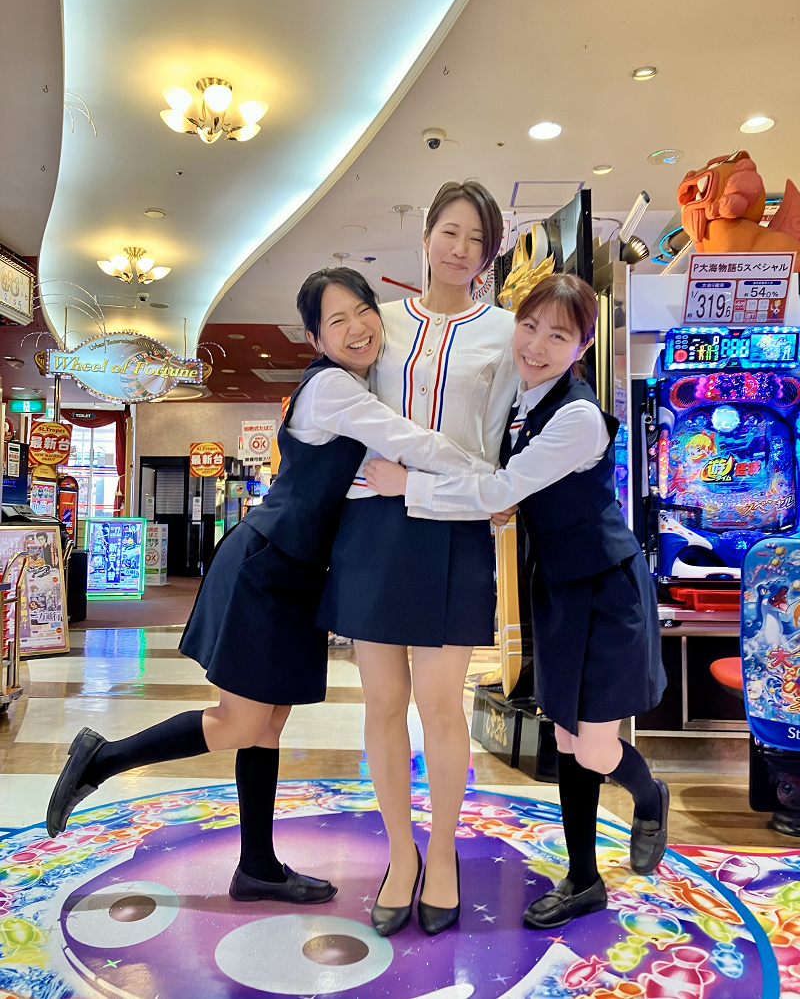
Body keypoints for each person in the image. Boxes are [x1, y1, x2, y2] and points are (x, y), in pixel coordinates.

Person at [46, 267, 487, 906]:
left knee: (267, 725)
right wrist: (490, 483)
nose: (358, 328)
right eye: (337, 320)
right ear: (315, 338)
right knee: (241, 720)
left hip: (297, 572)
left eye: (363, 311)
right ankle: (102, 758)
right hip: (266, 565)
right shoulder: (333, 387)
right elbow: (411, 441)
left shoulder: (359, 385)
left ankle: (257, 866)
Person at [364, 272, 669, 930]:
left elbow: (501, 488)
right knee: (564, 735)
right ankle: (584, 879)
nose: (535, 344)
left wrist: (406, 485)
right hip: (556, 586)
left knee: (593, 748)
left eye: (557, 336)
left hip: (606, 587)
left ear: (581, 348)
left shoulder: (577, 416)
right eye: (528, 326)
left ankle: (649, 796)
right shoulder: (525, 401)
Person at [320, 181, 518, 937]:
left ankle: (441, 855)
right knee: (380, 704)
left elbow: (496, 453)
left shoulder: (505, 333)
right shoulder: (384, 321)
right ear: (427, 234)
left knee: (440, 705)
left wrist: (434, 484)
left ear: (489, 254)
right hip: (373, 528)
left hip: (453, 531)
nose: (460, 249)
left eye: (477, 239)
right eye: (450, 232)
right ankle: (400, 854)